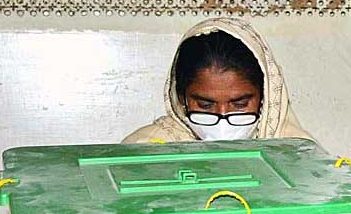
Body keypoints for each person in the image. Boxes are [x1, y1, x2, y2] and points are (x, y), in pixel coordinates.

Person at [124, 16, 315, 143]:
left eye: (240, 104)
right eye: (205, 105)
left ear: (265, 96)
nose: (222, 119)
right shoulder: (147, 149)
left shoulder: (299, 157)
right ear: (181, 98)